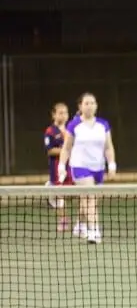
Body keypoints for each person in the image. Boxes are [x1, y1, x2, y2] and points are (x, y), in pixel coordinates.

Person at [58, 92, 116, 244]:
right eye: (86, 103)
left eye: (92, 103)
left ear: (96, 106)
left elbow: (108, 147)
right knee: (91, 197)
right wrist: (61, 166)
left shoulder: (103, 125)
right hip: (80, 167)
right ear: (80, 106)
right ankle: (94, 231)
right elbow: (66, 148)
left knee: (86, 199)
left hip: (98, 168)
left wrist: (111, 164)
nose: (90, 106)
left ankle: (80, 224)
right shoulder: (74, 125)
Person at [44, 102, 71, 232]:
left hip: (72, 167)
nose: (63, 115)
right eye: (60, 113)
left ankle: (81, 223)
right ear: (54, 114)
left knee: (80, 192)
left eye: (65, 112)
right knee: (61, 195)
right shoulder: (50, 131)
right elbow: (50, 151)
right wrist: (65, 150)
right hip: (56, 169)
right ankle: (63, 220)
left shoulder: (71, 130)